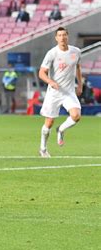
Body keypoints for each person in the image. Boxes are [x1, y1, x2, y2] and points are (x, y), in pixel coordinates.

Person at [38, 27, 82, 158]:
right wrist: (50, 81)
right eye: (59, 35)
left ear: (67, 36)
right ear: (56, 38)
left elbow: (78, 67)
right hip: (54, 92)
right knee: (49, 122)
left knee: (76, 116)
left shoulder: (76, 52)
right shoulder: (52, 53)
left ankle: (61, 129)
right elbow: (41, 73)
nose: (62, 37)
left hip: (69, 91)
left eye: (64, 35)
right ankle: (43, 149)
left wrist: (80, 85)